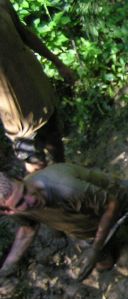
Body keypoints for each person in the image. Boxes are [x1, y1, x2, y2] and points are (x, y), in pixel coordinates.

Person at [0, 163, 128, 280]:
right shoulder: (17, 211)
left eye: (25, 190)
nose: (30, 200)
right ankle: (100, 244)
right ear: (9, 211)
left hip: (120, 197)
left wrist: (95, 249)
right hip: (87, 230)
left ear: (20, 180)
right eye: (21, 203)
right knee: (105, 265)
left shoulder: (64, 186)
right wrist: (8, 266)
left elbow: (112, 203)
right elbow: (27, 230)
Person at [0, 0, 75, 173]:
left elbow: (25, 34)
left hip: (39, 93)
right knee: (36, 167)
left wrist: (57, 62)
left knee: (57, 150)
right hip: (16, 117)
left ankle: (68, 191)